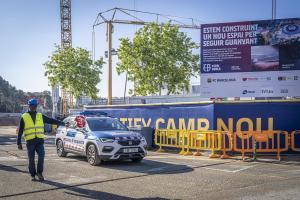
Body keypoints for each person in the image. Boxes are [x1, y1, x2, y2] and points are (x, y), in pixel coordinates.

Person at [17, 98, 64, 181]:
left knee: (41, 156)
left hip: (39, 141)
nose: (33, 107)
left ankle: (39, 173)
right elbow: (20, 130)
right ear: (29, 106)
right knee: (31, 159)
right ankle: (32, 174)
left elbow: (51, 120)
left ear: (36, 106)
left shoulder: (40, 115)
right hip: (30, 141)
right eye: (32, 106)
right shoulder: (24, 117)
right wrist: (19, 143)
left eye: (35, 106)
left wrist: (62, 123)